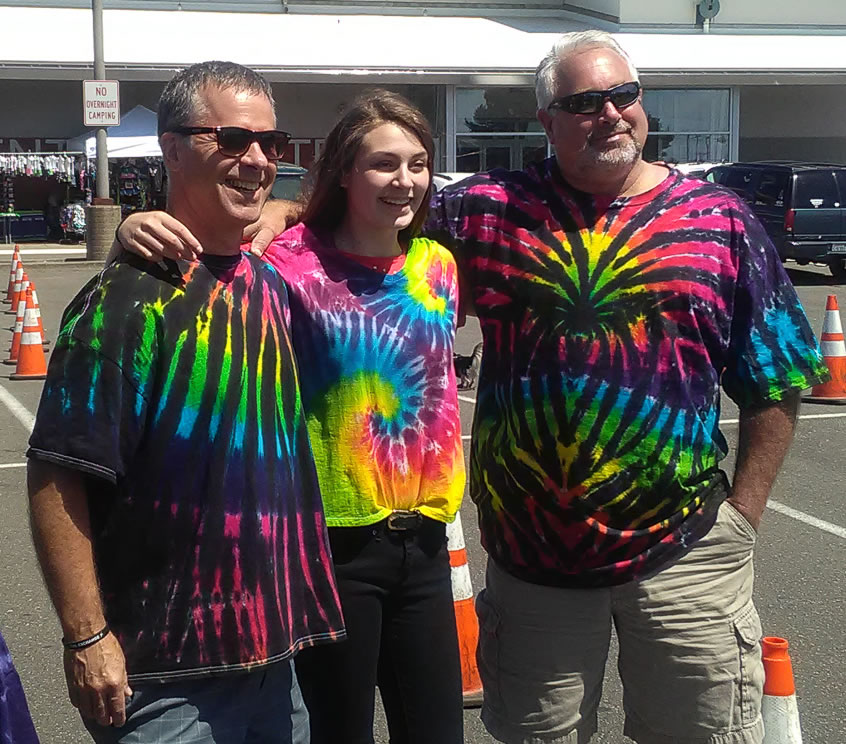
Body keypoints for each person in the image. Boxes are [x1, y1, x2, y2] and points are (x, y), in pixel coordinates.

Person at [115, 32, 829, 743]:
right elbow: (369, 215)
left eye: (624, 95)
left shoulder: (721, 221)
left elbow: (777, 376)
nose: (610, 114)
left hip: (687, 553)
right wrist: (259, 214)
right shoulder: (489, 212)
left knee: (699, 733)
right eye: (583, 102)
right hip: (535, 565)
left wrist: (744, 514)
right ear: (547, 121)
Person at [117, 90, 466, 744]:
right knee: (339, 733)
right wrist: (131, 230)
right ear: (343, 172)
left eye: (418, 164)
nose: (406, 180)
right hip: (331, 546)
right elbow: (207, 258)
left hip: (422, 541)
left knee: (438, 731)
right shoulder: (288, 262)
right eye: (384, 164)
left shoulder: (436, 266)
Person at [26, 61, 344, 744]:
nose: (257, 160)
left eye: (271, 142)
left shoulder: (269, 282)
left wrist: (286, 210)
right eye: (231, 139)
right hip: (165, 680)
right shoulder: (125, 301)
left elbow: (364, 212)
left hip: (274, 659)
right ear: (173, 149)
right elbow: (57, 473)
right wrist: (86, 638)